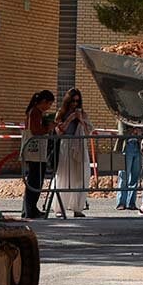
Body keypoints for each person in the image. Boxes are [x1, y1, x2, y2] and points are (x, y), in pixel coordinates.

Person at [52, 88, 93, 218]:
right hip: (66, 145)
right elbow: (58, 131)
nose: (75, 104)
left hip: (80, 146)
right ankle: (60, 208)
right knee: (64, 176)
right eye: (72, 101)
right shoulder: (61, 113)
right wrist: (69, 118)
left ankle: (78, 208)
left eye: (77, 101)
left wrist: (81, 119)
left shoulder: (83, 114)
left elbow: (89, 131)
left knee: (81, 176)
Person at [21, 90, 56, 218]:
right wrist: (48, 128)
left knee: (35, 180)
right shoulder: (35, 113)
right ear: (43, 102)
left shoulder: (36, 112)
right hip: (34, 153)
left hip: (36, 153)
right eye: (49, 104)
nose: (49, 107)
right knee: (34, 181)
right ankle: (29, 210)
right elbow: (35, 131)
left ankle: (30, 208)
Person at [115, 123, 143, 210]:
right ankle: (121, 202)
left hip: (137, 146)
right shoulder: (123, 118)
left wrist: (140, 132)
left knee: (135, 177)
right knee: (124, 176)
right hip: (127, 146)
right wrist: (133, 130)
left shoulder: (139, 119)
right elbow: (121, 133)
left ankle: (131, 202)